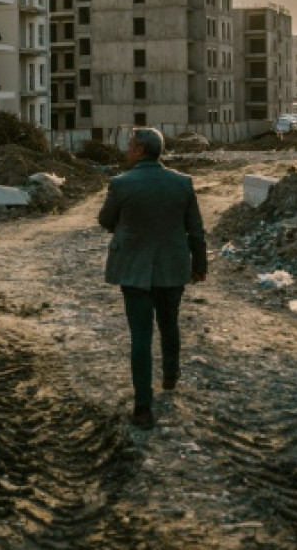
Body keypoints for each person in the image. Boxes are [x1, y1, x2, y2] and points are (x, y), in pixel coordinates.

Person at [98, 127, 207, 429]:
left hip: (134, 270)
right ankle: (170, 377)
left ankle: (143, 407)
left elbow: (105, 220)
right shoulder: (182, 183)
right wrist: (199, 265)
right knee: (169, 324)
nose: (127, 150)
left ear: (141, 150)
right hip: (172, 268)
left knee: (141, 337)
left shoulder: (121, 184)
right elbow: (196, 230)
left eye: (130, 145)